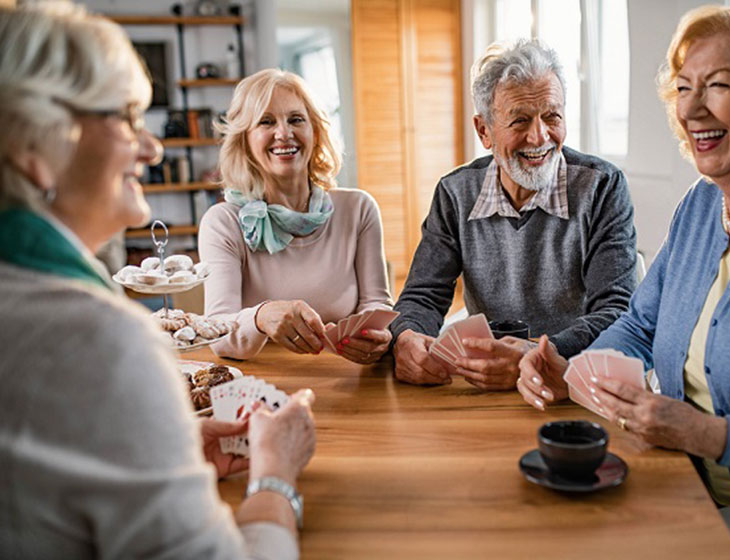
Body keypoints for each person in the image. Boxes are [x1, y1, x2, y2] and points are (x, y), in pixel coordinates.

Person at [518, 2, 730, 558]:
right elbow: (642, 324)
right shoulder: (701, 206)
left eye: (717, 85)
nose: (691, 107)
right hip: (685, 484)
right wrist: (574, 369)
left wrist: (706, 435)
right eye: (683, 87)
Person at [0, 4, 315, 558]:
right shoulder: (99, 339)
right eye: (125, 117)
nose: (152, 148)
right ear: (34, 146)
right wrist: (275, 477)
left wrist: (164, 450)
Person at [390, 39, 637, 391]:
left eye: (552, 116)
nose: (539, 137)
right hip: (485, 382)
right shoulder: (455, 193)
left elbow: (617, 311)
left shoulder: (602, 187)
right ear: (484, 131)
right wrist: (407, 337)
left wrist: (535, 355)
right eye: (520, 120)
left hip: (573, 381)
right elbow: (423, 295)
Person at [200, 69, 393, 363]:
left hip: (347, 380)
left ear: (315, 132)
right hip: (262, 388)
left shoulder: (359, 209)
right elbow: (218, 335)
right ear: (244, 141)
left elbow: (376, 303)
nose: (284, 133)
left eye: (296, 119)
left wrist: (377, 337)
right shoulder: (222, 222)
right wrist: (261, 317)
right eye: (266, 121)